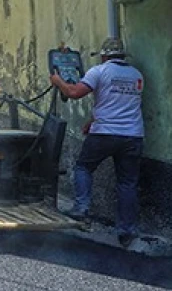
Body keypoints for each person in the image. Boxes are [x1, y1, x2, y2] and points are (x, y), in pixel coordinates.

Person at [50, 37, 145, 247]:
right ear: (122, 56)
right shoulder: (136, 75)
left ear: (104, 56)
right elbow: (119, 103)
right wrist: (92, 120)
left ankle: (81, 208)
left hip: (105, 133)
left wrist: (57, 81)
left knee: (84, 167)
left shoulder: (99, 71)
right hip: (133, 135)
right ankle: (126, 230)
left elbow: (74, 93)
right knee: (127, 183)